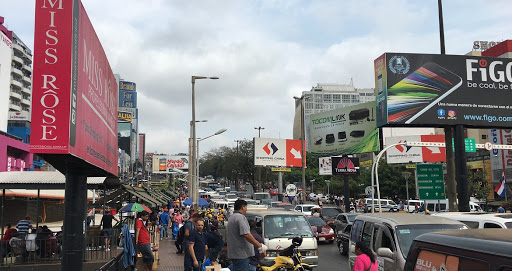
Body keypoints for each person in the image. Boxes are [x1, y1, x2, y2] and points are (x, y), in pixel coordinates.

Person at [227, 199, 267, 271]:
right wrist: (259, 246)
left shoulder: (231, 218)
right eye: (246, 207)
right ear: (243, 207)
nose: (246, 209)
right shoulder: (240, 218)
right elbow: (246, 234)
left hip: (234, 253)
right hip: (241, 254)